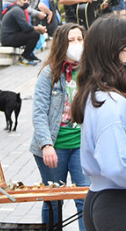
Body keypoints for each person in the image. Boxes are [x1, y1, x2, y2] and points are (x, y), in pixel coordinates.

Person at [71, 16, 126, 230]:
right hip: (122, 204)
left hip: (113, 201)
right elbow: (116, 166)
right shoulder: (111, 103)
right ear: (113, 51)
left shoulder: (103, 95)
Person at [31, 24, 90, 230]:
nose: (76, 44)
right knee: (53, 200)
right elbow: (38, 113)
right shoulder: (49, 74)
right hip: (53, 147)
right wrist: (46, 145)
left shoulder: (89, 72)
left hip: (80, 145)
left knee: (85, 198)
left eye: (79, 39)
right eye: (70, 40)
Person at [1, 0, 46, 66]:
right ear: (18, 1)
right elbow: (26, 28)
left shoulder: (18, 9)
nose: (26, 3)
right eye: (24, 0)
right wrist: (39, 28)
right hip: (8, 38)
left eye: (28, 1)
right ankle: (24, 57)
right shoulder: (17, 10)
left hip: (10, 36)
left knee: (34, 33)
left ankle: (28, 56)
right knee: (35, 35)